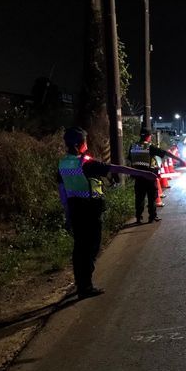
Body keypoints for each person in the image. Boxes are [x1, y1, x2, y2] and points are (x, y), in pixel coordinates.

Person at [58, 127, 157, 299]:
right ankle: (85, 286)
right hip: (90, 211)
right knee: (91, 248)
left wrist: (67, 215)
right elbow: (117, 168)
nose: (86, 144)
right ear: (78, 144)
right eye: (84, 141)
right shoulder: (85, 163)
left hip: (75, 210)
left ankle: (81, 282)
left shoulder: (63, 164)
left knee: (79, 248)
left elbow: (62, 192)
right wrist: (144, 173)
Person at [128, 128, 184, 223]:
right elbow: (165, 153)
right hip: (149, 176)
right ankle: (152, 216)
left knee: (139, 198)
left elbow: (130, 159)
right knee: (152, 197)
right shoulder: (149, 147)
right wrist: (179, 159)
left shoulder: (133, 146)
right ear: (148, 136)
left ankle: (138, 218)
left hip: (138, 176)